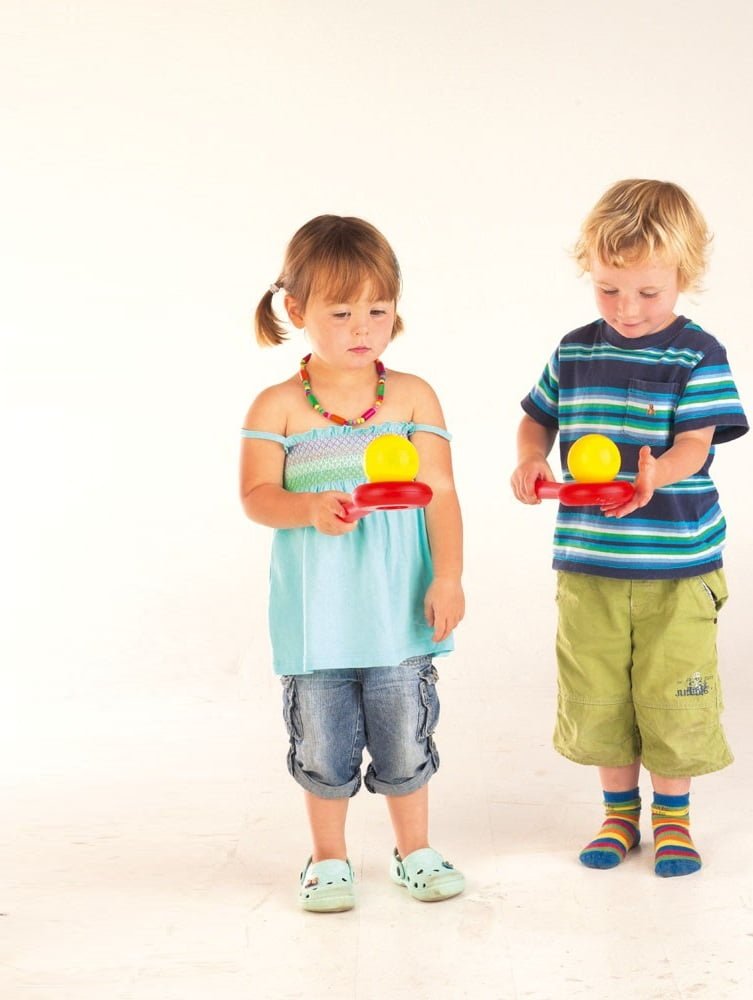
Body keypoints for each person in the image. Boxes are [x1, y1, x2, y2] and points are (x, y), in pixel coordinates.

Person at [510, 180, 749, 877]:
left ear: (684, 275)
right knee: (601, 696)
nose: (627, 308)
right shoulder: (574, 351)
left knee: (673, 696)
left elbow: (695, 446)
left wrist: (656, 474)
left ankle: (672, 819)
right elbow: (536, 418)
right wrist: (530, 459)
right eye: (609, 289)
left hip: (677, 566)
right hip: (590, 565)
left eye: (648, 291)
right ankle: (619, 815)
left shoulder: (697, 353)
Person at [240, 215, 465, 910]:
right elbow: (256, 496)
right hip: (318, 620)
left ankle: (414, 850)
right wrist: (308, 508)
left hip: (398, 613)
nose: (362, 327)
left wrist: (449, 576)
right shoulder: (279, 407)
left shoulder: (412, 396)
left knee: (405, 740)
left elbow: (441, 492)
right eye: (341, 313)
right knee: (322, 746)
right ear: (296, 310)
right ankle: (328, 859)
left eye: (378, 309)